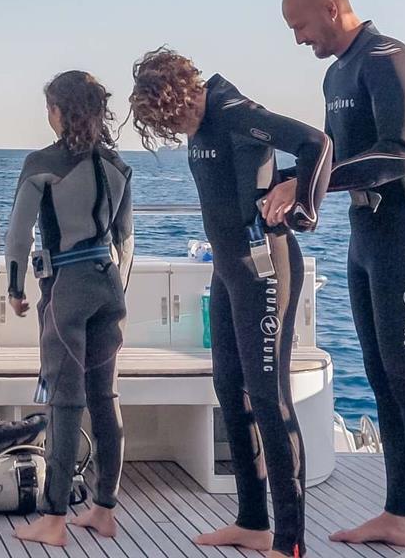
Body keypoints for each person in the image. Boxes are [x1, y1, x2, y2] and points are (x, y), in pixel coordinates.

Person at [273, 0, 405, 548]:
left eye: (301, 25)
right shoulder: (337, 74)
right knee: (382, 376)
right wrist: (283, 186)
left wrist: (307, 182)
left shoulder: (386, 59)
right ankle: (399, 514)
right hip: (369, 229)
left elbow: (402, 153)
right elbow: (333, 159)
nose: (299, 39)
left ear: (332, 9)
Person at [128, 49, 330, 558]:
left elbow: (316, 143)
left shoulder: (235, 111)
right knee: (229, 389)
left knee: (269, 399)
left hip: (264, 269)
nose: (174, 129)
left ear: (182, 94)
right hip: (227, 269)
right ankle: (253, 522)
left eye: (172, 119)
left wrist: (301, 202)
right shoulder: (203, 121)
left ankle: (290, 542)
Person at [6, 70, 135, 547]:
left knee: (64, 400)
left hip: (67, 287)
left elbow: (18, 235)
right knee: (105, 396)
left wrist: (15, 287)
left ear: (60, 112)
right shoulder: (118, 166)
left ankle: (54, 518)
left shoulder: (42, 163)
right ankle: (104, 509)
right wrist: (117, 292)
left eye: (50, 107)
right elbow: (126, 240)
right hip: (109, 286)